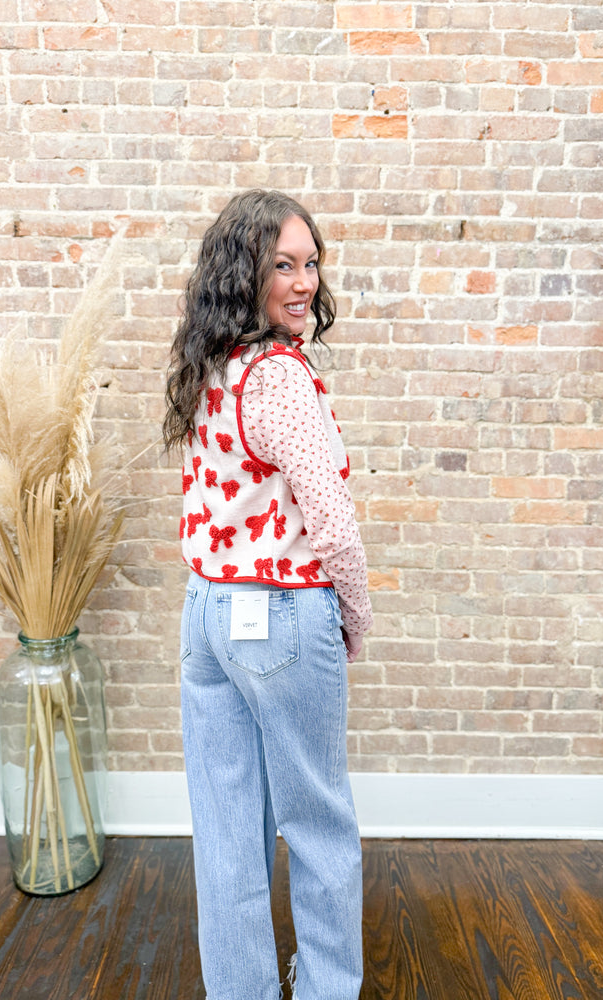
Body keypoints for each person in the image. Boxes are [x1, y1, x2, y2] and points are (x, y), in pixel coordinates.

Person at [163, 189, 373, 1000]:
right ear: (242, 275)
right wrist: (353, 616)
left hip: (208, 615)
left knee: (226, 834)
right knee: (318, 824)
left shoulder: (208, 368)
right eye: (281, 265)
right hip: (282, 616)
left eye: (310, 263)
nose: (302, 283)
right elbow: (332, 521)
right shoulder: (279, 378)